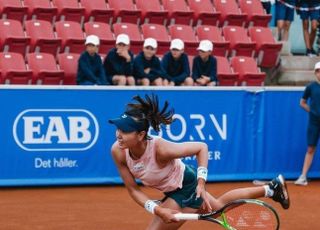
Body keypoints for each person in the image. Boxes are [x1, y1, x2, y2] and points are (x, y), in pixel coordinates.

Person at [109, 94, 290, 230]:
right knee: (218, 208)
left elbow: (201, 147)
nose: (118, 134)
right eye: (118, 128)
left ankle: (271, 189)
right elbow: (133, 189)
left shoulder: (160, 149)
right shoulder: (117, 151)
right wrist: (157, 209)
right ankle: (271, 188)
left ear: (141, 135)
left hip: (185, 185)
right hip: (172, 187)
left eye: (124, 131)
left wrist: (201, 184)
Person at [295, 62, 320, 186]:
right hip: (314, 122)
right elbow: (302, 102)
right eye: (318, 71)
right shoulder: (311, 87)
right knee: (310, 148)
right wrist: (313, 111)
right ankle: (303, 176)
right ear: (316, 73)